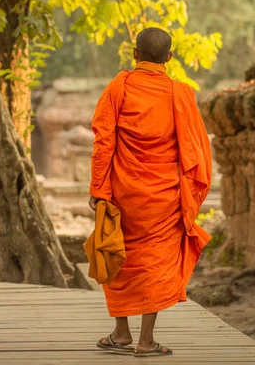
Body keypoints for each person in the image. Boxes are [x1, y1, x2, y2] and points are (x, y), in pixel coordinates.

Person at [89, 27, 212, 357]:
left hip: (122, 194)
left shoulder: (119, 87)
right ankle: (146, 340)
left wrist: (98, 189)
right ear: (169, 58)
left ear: (134, 54)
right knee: (155, 263)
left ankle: (120, 333)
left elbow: (103, 142)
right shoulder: (180, 94)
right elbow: (194, 151)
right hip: (164, 198)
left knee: (118, 254)